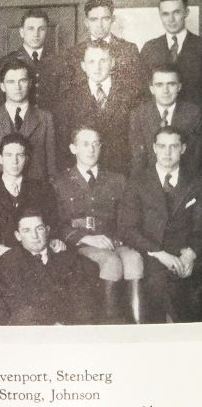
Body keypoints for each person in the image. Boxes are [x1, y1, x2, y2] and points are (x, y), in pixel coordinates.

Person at [53, 127, 143, 323]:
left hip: (114, 241)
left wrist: (118, 238)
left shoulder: (117, 180)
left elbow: (127, 217)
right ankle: (110, 323)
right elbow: (56, 224)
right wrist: (84, 237)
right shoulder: (59, 182)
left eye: (96, 144)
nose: (91, 149)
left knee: (134, 259)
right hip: (81, 244)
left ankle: (138, 327)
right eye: (85, 144)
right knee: (111, 262)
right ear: (73, 148)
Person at [119, 126, 202, 323]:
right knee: (164, 288)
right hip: (153, 256)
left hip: (189, 254)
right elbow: (127, 228)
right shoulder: (137, 182)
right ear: (154, 148)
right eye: (162, 146)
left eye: (173, 146)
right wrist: (160, 254)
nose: (167, 152)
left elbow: (200, 225)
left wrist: (191, 254)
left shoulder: (196, 181)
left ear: (183, 148)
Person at [0, 208, 99, 325]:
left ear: (47, 230)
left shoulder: (69, 259)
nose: (34, 236)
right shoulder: (9, 262)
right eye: (26, 230)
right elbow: (17, 308)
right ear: (18, 236)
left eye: (39, 229)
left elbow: (83, 303)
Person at [57, 42, 138, 175]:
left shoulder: (130, 95)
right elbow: (63, 142)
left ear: (112, 63)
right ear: (83, 66)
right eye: (91, 62)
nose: (97, 67)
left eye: (103, 61)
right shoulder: (69, 97)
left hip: (121, 172)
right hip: (83, 173)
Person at [0, 133, 58, 256]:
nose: (15, 161)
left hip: (36, 253)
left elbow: (52, 221)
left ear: (26, 159)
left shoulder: (42, 188)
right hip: (1, 253)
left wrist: (53, 240)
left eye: (20, 155)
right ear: (0, 159)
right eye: (9, 155)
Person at [0, 58, 57, 181]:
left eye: (22, 81)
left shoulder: (45, 118)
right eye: (11, 82)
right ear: (2, 86)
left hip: (36, 192)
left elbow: (52, 168)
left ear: (30, 83)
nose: (17, 87)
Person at [61, 0, 143, 98]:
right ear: (86, 22)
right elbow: (69, 93)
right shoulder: (73, 53)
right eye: (94, 19)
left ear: (113, 19)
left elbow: (137, 89)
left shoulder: (129, 50)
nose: (100, 25)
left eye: (105, 19)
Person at [130, 65, 201, 176]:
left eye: (171, 84)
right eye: (159, 85)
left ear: (179, 87)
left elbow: (195, 158)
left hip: (185, 181)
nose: (165, 91)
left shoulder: (194, 114)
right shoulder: (139, 115)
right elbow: (138, 159)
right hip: (150, 182)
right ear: (152, 89)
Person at [0, 9, 59, 111]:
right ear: (22, 32)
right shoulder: (5, 62)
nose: (36, 34)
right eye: (30, 29)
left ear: (47, 32)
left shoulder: (58, 62)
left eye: (41, 29)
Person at [140, 0, 201, 106]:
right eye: (165, 14)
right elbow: (142, 91)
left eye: (176, 12)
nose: (171, 19)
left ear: (186, 13)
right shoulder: (149, 48)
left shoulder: (200, 45)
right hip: (159, 120)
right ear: (160, 15)